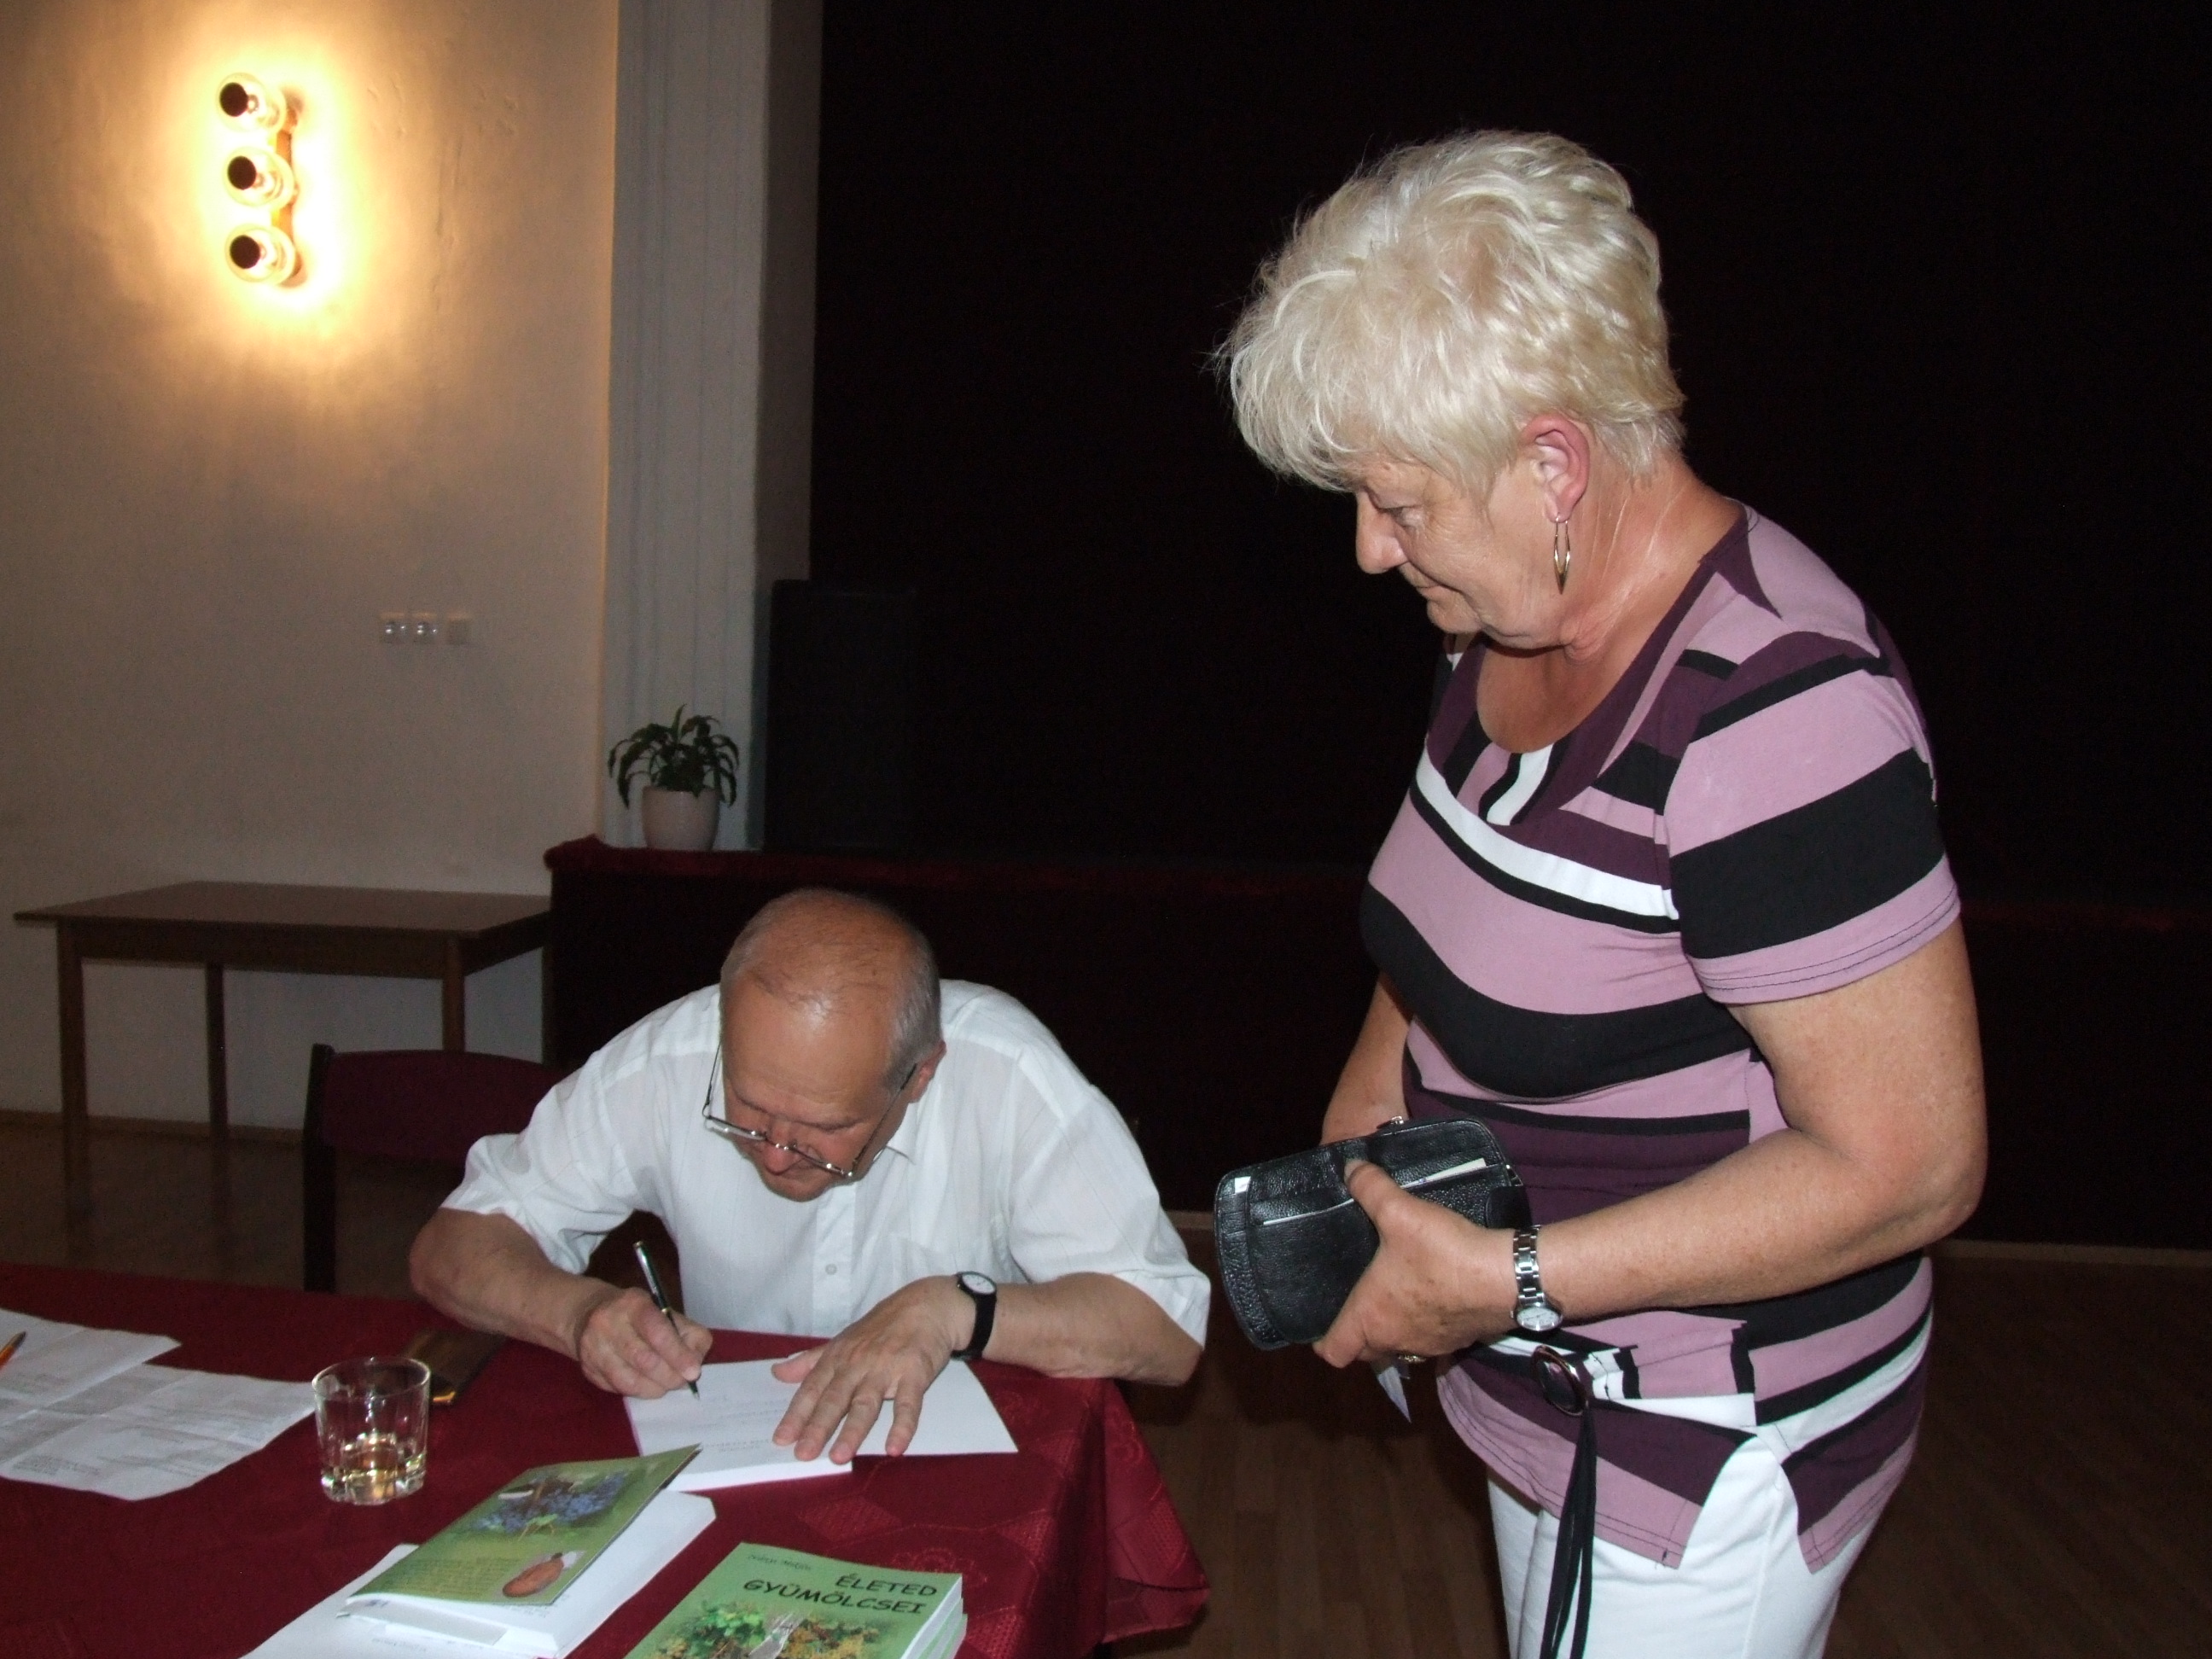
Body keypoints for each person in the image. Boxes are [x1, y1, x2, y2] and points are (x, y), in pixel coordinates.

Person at [1220, 133, 1984, 1658]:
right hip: (1548, 1377)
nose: (1369, 550)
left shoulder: (1775, 714)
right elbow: (1449, 932)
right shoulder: (1501, 627)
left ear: (1554, 464)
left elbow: (1911, 1166)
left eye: (1398, 502)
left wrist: (1503, 1280)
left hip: (1698, 1435)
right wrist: (1365, 1157)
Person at [410, 888, 1207, 1464]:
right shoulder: (670, 1059)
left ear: (919, 1076)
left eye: (825, 1128)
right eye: (749, 1110)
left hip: (971, 1460)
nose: (777, 1153)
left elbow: (1166, 1334)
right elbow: (452, 1246)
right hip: (744, 1452)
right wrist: (579, 1313)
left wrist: (955, 1309)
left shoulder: (1008, 1074)